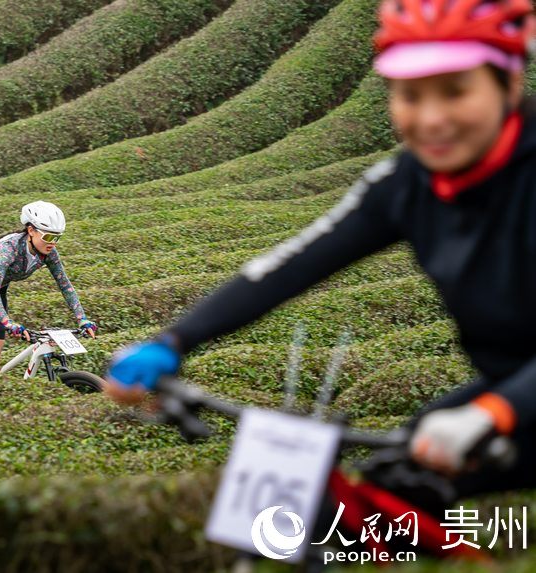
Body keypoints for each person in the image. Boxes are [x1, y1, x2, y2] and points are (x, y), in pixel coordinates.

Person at [106, 0, 536, 498]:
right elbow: (290, 266)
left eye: (455, 92)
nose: (431, 118)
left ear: (508, 85)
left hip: (513, 400)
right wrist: (173, 341)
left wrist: (498, 410)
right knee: (391, 492)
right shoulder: (403, 186)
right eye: (409, 96)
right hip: (508, 390)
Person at [0, 201, 97, 373]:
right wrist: (8, 322)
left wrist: (82, 318)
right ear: (31, 231)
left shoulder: (49, 253)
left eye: (57, 238)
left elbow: (65, 286)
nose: (53, 243)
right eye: (48, 237)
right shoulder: (9, 249)